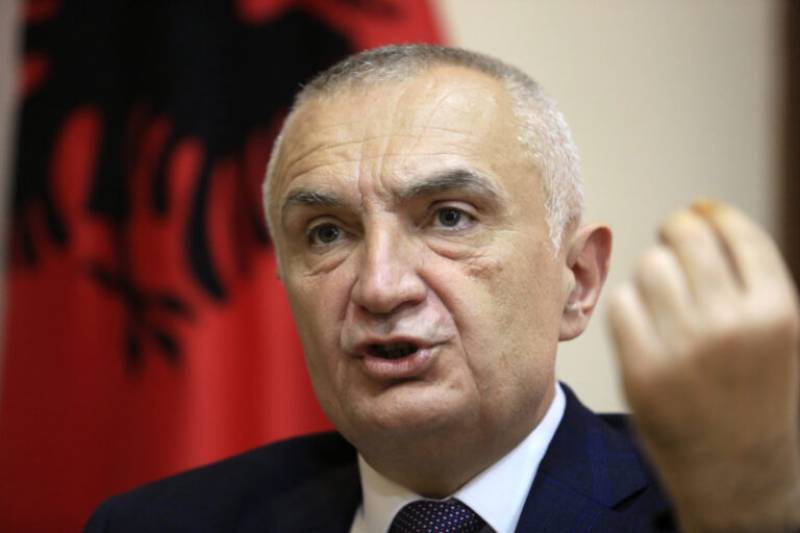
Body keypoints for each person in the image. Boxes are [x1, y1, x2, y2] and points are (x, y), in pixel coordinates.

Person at [85, 45, 800, 532]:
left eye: (450, 217)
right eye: (327, 233)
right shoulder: (158, 524)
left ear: (578, 282)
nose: (380, 286)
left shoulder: (720, 506)